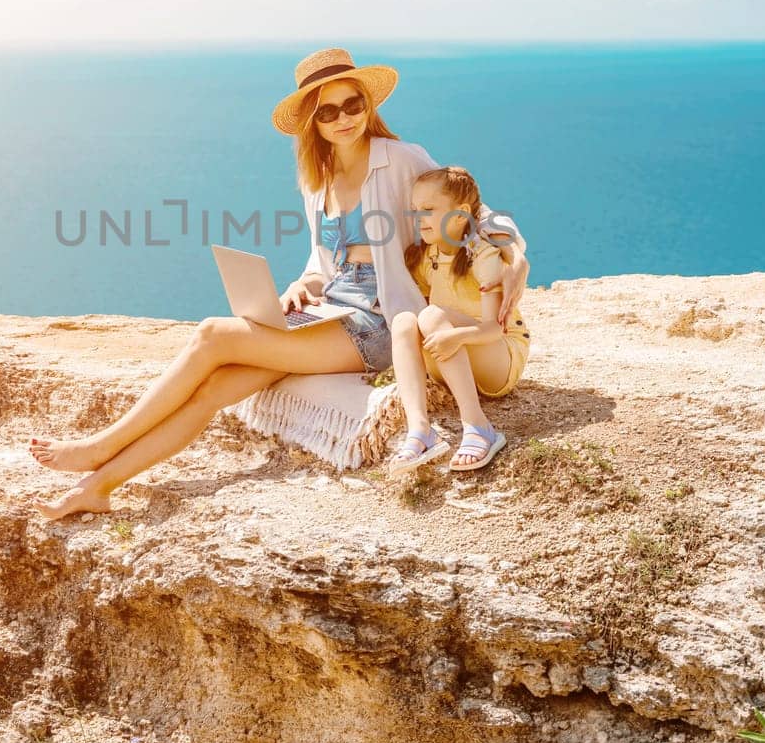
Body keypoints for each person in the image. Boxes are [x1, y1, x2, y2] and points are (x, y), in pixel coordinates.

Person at [27, 48, 530, 518]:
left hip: (378, 319)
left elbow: (475, 211)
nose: (343, 119)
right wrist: (301, 286)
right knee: (214, 389)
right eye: (327, 112)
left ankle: (99, 446)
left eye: (351, 104)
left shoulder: (400, 158)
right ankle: (97, 487)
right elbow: (322, 262)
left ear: (367, 104)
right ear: (313, 122)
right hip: (332, 308)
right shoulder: (320, 179)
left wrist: (515, 259)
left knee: (212, 335)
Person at [378, 165, 532, 475]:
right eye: (414, 211)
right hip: (451, 358)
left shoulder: (484, 256)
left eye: (428, 209)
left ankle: (478, 427)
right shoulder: (426, 257)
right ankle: (420, 431)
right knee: (405, 320)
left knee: (433, 315)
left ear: (460, 213)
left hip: (497, 357)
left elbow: (493, 329)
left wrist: (456, 336)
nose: (418, 219)